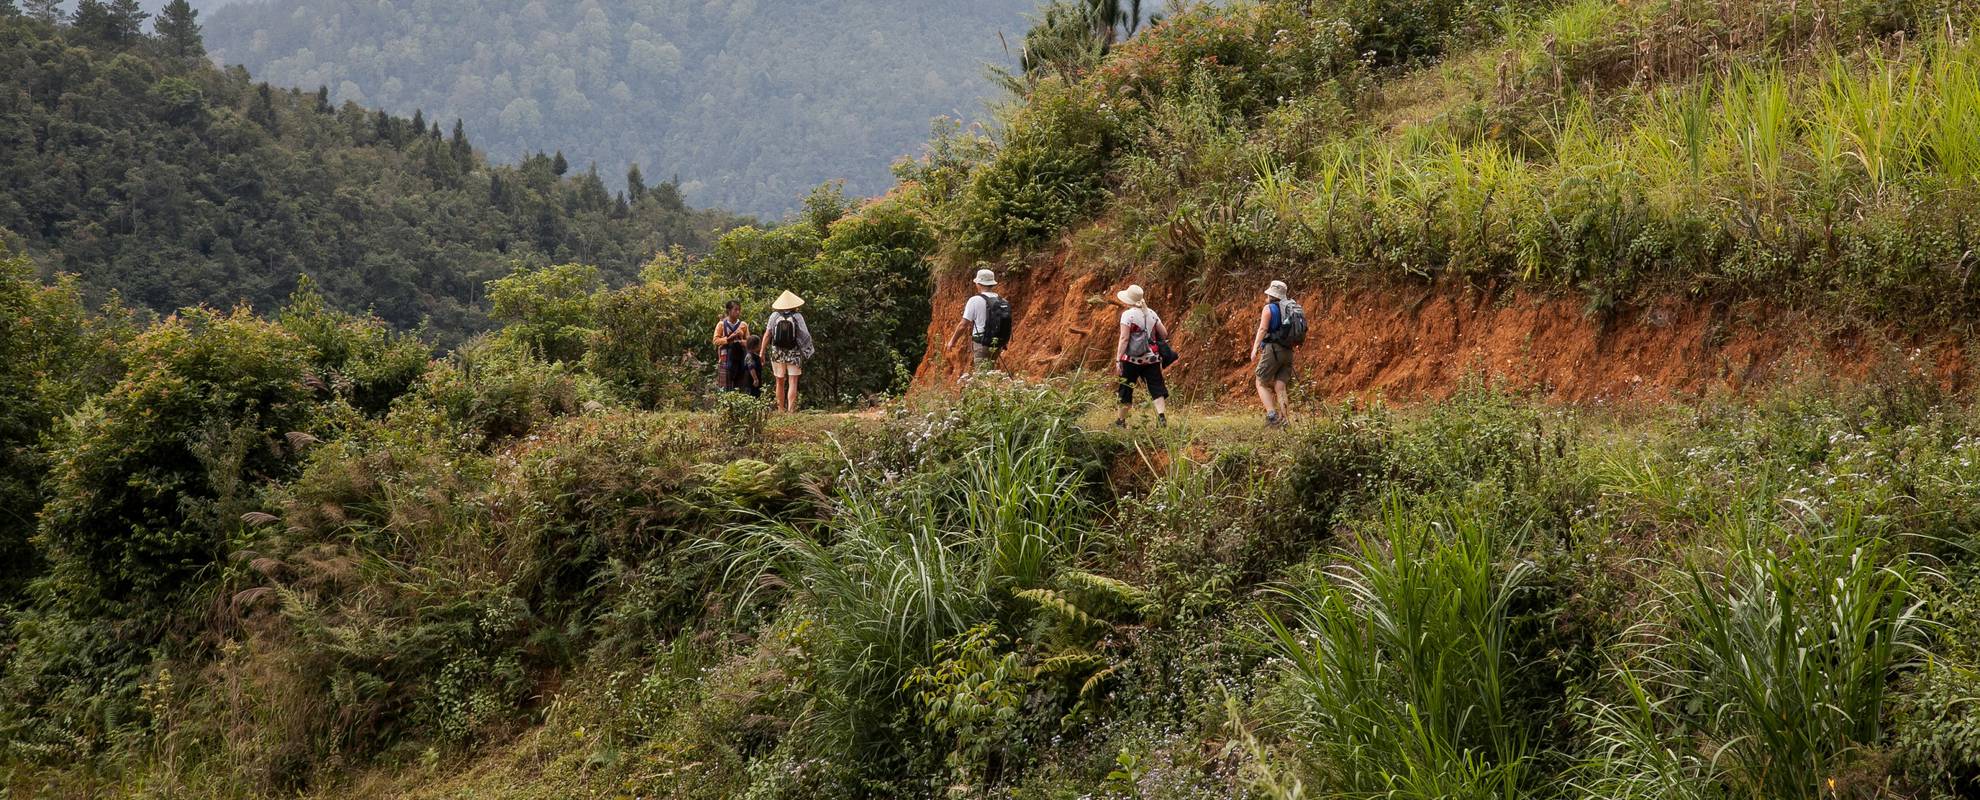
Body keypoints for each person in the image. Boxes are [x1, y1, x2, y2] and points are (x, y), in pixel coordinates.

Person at [1112, 284, 1169, 428]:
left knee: (1126, 388)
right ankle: (1161, 417)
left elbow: (1124, 339)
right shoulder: (1151, 313)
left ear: (1129, 300)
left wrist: (1118, 359)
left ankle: (1121, 421)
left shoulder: (1127, 315)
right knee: (1156, 387)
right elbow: (1164, 333)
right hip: (1151, 359)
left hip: (1131, 360)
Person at [945, 267, 1011, 371]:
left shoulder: (975, 300)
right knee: (991, 372)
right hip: (997, 343)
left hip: (981, 343)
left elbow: (963, 325)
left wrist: (952, 341)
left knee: (982, 376)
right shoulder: (1001, 300)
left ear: (979, 284)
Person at [759, 290, 814, 412]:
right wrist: (807, 350)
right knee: (793, 381)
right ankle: (791, 411)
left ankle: (780, 410)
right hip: (794, 352)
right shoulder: (798, 316)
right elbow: (805, 335)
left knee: (779, 381)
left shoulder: (774, 316)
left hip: (777, 352)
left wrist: (762, 351)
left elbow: (768, 334)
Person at [1251, 280, 1296, 427]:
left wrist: (1255, 347)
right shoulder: (1290, 308)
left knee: (1260, 381)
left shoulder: (1269, 308)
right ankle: (1284, 420)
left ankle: (1272, 416)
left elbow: (1263, 329)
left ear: (1271, 294)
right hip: (1288, 351)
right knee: (1280, 387)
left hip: (1273, 350)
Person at [712, 300, 751, 393]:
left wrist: (741, 341)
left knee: (741, 383)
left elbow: (749, 342)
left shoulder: (743, 325)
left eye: (739, 310)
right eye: (735, 310)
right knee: (725, 386)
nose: (738, 312)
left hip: (741, 357)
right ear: (729, 311)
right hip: (725, 358)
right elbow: (715, 341)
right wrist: (728, 339)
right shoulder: (721, 324)